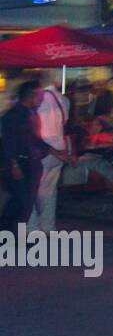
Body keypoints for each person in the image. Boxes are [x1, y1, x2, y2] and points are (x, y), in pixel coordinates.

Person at [0, 82, 48, 234]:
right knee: (21, 201)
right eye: (39, 95)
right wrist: (14, 165)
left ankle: (11, 235)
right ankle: (6, 234)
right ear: (30, 95)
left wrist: (52, 151)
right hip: (17, 164)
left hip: (30, 163)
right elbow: (8, 142)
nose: (42, 98)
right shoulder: (12, 115)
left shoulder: (31, 113)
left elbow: (34, 138)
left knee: (24, 202)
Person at [30, 72, 72, 233]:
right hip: (60, 147)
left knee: (32, 189)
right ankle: (48, 226)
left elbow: (34, 123)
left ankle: (32, 227)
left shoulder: (39, 99)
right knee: (50, 191)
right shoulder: (64, 100)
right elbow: (65, 121)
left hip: (43, 149)